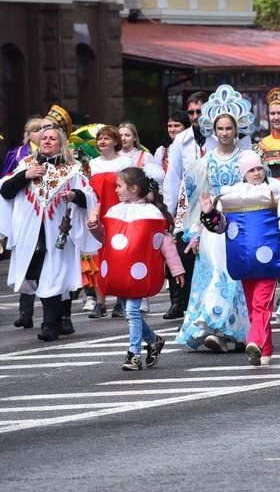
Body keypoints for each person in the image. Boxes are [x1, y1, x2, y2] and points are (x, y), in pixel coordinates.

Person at [204, 154, 280, 365]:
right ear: (243, 173)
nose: (257, 173)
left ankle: (255, 340)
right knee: (254, 307)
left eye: (259, 168)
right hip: (244, 260)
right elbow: (220, 226)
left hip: (270, 260)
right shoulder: (232, 195)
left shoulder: (278, 190)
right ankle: (265, 351)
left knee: (262, 304)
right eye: (251, 170)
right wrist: (208, 213)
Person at [176, 85, 257, 352]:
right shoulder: (204, 162)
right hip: (213, 226)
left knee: (236, 276)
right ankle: (215, 327)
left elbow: (259, 189)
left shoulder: (247, 159)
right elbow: (197, 200)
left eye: (229, 128)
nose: (224, 133)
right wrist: (195, 232)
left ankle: (233, 331)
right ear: (213, 130)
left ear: (237, 130)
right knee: (215, 275)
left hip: (241, 223)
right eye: (220, 129)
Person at [0, 124, 98, 341]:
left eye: (53, 138)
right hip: (30, 233)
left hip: (58, 232)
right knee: (36, 276)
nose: (47, 141)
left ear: (61, 143)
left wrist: (74, 195)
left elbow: (89, 196)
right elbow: (5, 192)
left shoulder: (72, 169)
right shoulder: (26, 165)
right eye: (44, 137)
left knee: (54, 275)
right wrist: (25, 175)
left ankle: (50, 325)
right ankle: (61, 319)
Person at [87, 167, 184, 371]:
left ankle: (134, 354)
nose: (116, 190)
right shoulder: (115, 210)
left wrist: (176, 269)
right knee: (132, 313)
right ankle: (154, 341)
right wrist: (94, 225)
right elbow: (107, 239)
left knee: (132, 310)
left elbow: (164, 242)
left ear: (133, 188)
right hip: (120, 271)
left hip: (139, 273)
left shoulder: (151, 212)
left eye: (119, 186)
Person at [162, 91, 211, 320]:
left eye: (199, 111)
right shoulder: (182, 140)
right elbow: (173, 177)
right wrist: (169, 211)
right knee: (182, 251)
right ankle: (180, 300)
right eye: (191, 112)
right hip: (188, 202)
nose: (194, 116)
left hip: (215, 199)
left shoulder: (223, 133)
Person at [84, 125, 131, 319]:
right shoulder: (93, 164)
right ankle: (100, 302)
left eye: (107, 138)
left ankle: (121, 300)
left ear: (115, 141)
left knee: (119, 256)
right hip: (98, 213)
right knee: (98, 257)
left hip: (119, 213)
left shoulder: (125, 161)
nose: (102, 141)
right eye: (100, 138)